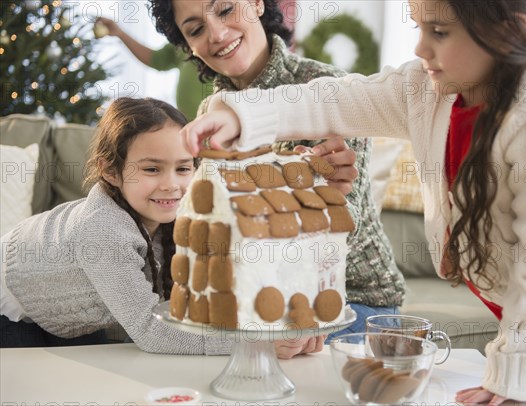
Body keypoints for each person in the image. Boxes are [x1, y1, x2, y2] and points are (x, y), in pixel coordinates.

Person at [178, 0, 526, 404]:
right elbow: (335, 99)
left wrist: (515, 368)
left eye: (439, 31)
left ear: (510, 31)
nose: (420, 47)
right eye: (418, 27)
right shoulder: (428, 89)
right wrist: (240, 115)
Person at [148, 0, 406, 355]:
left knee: (251, 357)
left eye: (225, 10)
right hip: (260, 296)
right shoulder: (212, 109)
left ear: (256, 3)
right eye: (195, 29)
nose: (217, 34)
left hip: (351, 302)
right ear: (187, 46)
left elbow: (332, 236)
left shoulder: (327, 88)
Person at [0, 97, 318, 359]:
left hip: (66, 311)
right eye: (152, 169)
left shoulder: (177, 209)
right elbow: (151, 330)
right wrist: (255, 344)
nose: (171, 186)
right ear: (110, 170)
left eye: (182, 168)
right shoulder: (101, 231)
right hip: (11, 303)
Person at [95, 17, 213, 121]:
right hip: (188, 125)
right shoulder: (184, 40)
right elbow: (156, 59)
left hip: (218, 124)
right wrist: (119, 33)